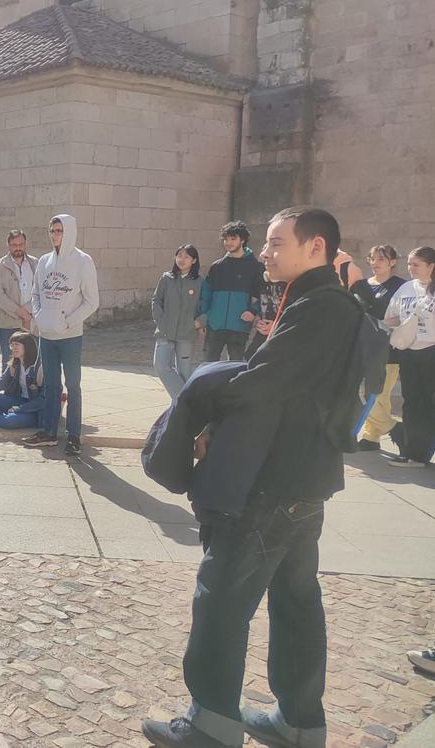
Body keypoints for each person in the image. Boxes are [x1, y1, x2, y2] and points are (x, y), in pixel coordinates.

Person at [143, 207, 362, 748]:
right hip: (300, 479)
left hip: (274, 483)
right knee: (294, 600)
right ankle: (298, 721)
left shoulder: (323, 307)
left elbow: (264, 380)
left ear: (315, 248)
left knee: (221, 597)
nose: (265, 252)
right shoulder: (317, 301)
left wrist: (203, 394)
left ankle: (211, 723)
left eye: (276, 242)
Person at [21, 214, 98, 456]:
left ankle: (74, 436)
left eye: (59, 230)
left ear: (69, 232)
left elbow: (92, 301)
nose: (54, 235)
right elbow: (35, 294)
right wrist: (39, 316)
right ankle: (49, 433)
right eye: (52, 230)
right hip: (47, 335)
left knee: (73, 385)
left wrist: (68, 321)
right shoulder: (44, 261)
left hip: (70, 336)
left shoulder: (83, 262)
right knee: (51, 386)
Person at [384, 247, 435, 467]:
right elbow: (391, 317)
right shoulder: (405, 288)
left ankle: (422, 455)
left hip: (434, 353)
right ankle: (412, 452)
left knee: (428, 404)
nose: (410, 268)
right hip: (409, 352)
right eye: (409, 264)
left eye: (416, 264)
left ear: (431, 266)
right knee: (411, 402)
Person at [351, 245, 406, 452]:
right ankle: (393, 428)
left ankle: (371, 436)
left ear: (392, 262)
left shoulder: (402, 287)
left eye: (381, 259)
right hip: (362, 346)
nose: (375, 263)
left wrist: (377, 322)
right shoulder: (360, 286)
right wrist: (380, 321)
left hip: (388, 348)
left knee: (380, 394)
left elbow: (400, 318)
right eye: (372, 259)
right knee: (363, 391)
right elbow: (354, 315)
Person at [197, 221, 264, 362]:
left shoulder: (255, 267)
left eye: (233, 239)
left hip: (239, 325)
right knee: (208, 365)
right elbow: (206, 294)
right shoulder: (217, 266)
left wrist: (252, 311)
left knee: (235, 366)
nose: (228, 242)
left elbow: (260, 293)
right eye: (226, 239)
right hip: (215, 325)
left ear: (243, 239)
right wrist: (204, 317)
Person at [152, 245, 203, 400]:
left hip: (186, 333)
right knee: (161, 366)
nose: (182, 259)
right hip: (165, 331)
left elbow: (206, 304)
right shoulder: (167, 278)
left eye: (186, 256)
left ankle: (181, 408)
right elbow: (156, 301)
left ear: (194, 260)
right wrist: (161, 322)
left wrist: (200, 321)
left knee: (184, 372)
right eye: (179, 255)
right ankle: (184, 402)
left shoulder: (200, 282)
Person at [0, 229, 38, 367]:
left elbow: (40, 290)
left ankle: (30, 388)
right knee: (9, 362)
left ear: (25, 244)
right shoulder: (0, 266)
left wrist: (27, 311)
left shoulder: (35, 263)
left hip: (31, 321)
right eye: (14, 244)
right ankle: (10, 389)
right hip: (9, 323)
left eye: (21, 244)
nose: (18, 247)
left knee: (33, 360)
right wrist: (19, 312)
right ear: (8, 245)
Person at [244, 271, 286, 359]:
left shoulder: (289, 286)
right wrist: (253, 312)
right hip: (263, 327)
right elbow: (262, 300)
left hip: (280, 331)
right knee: (251, 355)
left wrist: (276, 325)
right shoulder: (264, 283)